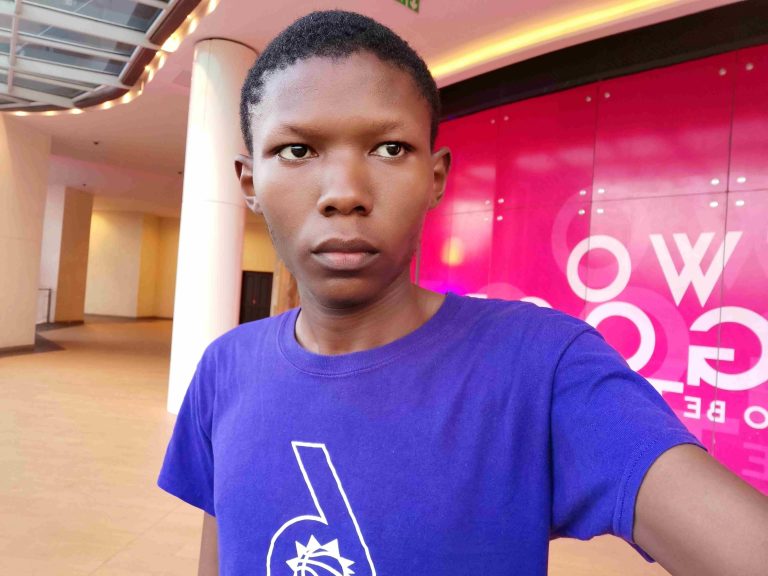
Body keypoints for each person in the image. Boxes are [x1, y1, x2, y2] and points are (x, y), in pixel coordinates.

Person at [158, 10, 768, 576]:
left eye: (389, 148)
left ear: (435, 177)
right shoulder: (224, 368)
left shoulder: (542, 366)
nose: (344, 192)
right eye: (297, 150)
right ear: (249, 183)